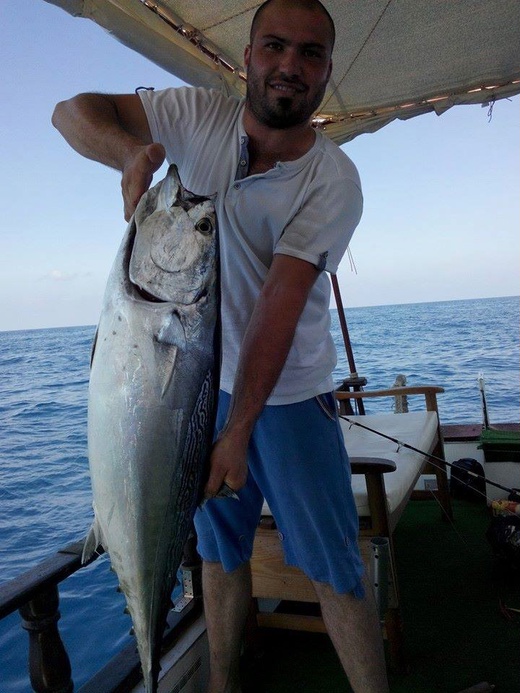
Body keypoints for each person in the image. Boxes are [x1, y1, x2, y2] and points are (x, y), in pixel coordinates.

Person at [52, 1, 390, 691]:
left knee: (334, 568)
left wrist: (237, 431)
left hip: (289, 395)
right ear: (247, 56)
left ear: (327, 69)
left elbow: (277, 309)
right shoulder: (197, 114)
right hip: (196, 389)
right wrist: (129, 153)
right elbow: (71, 112)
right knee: (217, 551)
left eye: (310, 53)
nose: (290, 65)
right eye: (274, 45)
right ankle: (220, 683)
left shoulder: (333, 180)